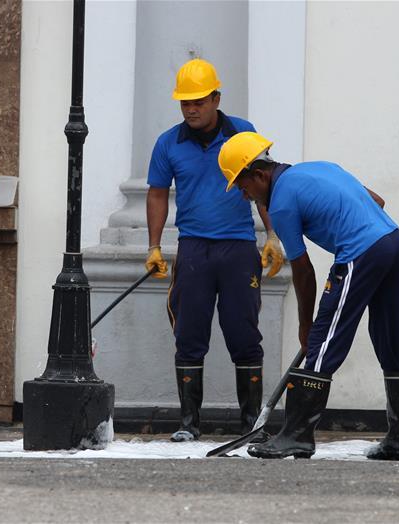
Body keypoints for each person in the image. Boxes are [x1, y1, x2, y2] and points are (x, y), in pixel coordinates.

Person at [218, 131, 399, 460]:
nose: (245, 196)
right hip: (394, 243)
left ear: (260, 175)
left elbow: (303, 269)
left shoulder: (280, 204)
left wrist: (306, 326)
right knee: (390, 340)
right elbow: (377, 201)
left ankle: (297, 435)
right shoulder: (319, 168)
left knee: (324, 341)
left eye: (243, 187)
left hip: (362, 252)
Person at [145, 58, 284, 442]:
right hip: (193, 249)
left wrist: (273, 236)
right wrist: (154, 246)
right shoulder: (168, 143)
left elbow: (263, 186)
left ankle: (251, 425)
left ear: (216, 98)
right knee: (189, 333)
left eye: (199, 101)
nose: (191, 109)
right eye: (185, 103)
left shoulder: (243, 133)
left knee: (244, 333)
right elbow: (157, 194)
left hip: (239, 248)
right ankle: (189, 424)